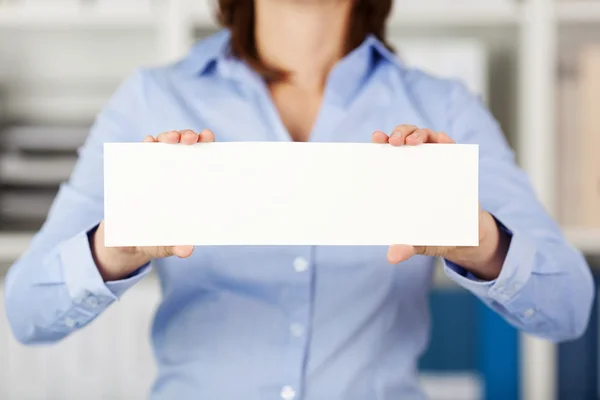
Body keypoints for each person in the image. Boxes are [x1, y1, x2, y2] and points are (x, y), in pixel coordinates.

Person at [4, 0, 594, 399]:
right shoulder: (153, 100)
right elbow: (27, 313)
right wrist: (114, 248)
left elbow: (569, 306)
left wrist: (481, 242)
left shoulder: (443, 109)